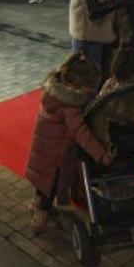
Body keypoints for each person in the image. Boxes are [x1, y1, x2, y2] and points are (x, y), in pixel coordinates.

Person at [24, 52, 113, 233]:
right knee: (49, 190)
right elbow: (81, 132)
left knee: (43, 188)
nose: (90, 92)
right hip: (54, 159)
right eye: (89, 88)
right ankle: (39, 221)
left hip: (45, 153)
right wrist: (101, 154)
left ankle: (37, 205)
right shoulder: (69, 106)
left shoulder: (54, 94)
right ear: (77, 86)